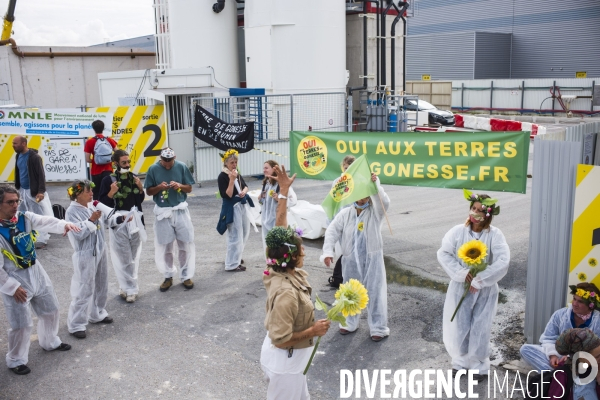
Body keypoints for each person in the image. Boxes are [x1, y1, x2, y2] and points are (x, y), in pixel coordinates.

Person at [261, 164, 331, 400]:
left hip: (292, 364)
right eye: (301, 251)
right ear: (291, 257)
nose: (304, 253)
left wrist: (283, 192)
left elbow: (279, 229)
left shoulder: (276, 265)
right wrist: (313, 330)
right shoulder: (286, 294)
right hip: (285, 364)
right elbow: (280, 341)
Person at [0, 184, 80, 375]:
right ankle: (16, 359)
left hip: (36, 270)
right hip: (14, 277)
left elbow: (44, 221)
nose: (15, 205)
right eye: (10, 202)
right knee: (21, 324)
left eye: (16, 201)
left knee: (50, 309)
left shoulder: (23, 218)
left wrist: (63, 225)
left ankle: (50, 341)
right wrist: (12, 287)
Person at [437, 192, 510, 381]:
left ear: (488, 214)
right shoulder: (457, 232)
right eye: (473, 208)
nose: (475, 213)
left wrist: (481, 279)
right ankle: (460, 362)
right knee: (460, 325)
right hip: (461, 287)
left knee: (481, 326)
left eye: (480, 210)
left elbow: (503, 260)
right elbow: (444, 253)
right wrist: (463, 275)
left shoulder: (494, 234)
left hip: (485, 290)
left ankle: (478, 365)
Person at [321, 171, 390, 342]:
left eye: (366, 197)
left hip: (372, 260)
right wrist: (328, 252)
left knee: (375, 292)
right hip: (351, 260)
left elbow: (384, 203)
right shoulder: (346, 214)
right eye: (359, 197)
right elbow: (332, 232)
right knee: (350, 292)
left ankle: (378, 328)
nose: (362, 200)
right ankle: (349, 323)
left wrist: (376, 186)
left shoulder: (375, 213)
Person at [66, 180, 126, 339]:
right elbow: (78, 234)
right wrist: (91, 220)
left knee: (101, 283)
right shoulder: (71, 211)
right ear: (78, 194)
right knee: (84, 288)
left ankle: (97, 313)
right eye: (88, 192)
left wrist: (121, 219)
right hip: (85, 254)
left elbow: (106, 221)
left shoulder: (92, 205)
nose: (92, 194)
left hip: (100, 249)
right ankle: (76, 323)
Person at [144, 147, 196, 291]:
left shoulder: (181, 166)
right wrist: (159, 187)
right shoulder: (153, 169)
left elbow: (189, 188)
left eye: (170, 161)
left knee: (184, 244)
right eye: (164, 161)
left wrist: (179, 185)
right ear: (160, 158)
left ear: (175, 158)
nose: (167, 164)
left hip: (179, 209)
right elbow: (148, 191)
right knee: (166, 246)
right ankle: (168, 276)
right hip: (163, 211)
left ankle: (186, 275)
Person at [98, 149, 146, 303]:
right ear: (116, 163)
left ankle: (125, 285)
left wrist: (140, 188)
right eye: (124, 162)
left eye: (128, 162)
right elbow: (102, 204)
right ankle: (131, 289)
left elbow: (140, 200)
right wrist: (111, 193)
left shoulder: (133, 177)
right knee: (124, 257)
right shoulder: (108, 180)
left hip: (135, 220)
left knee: (133, 256)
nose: (127, 165)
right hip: (119, 221)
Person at [520, 282, 600, 373]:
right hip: (559, 356)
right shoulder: (560, 315)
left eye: (580, 301)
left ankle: (559, 376)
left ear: (591, 305)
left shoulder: (597, 320)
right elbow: (548, 338)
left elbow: (597, 349)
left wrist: (572, 358)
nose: (574, 304)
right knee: (525, 350)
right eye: (574, 299)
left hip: (584, 360)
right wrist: (553, 355)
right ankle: (555, 375)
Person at [12, 135, 54, 249]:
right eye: (13, 143)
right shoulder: (18, 156)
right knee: (22, 214)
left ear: (23, 143)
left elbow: (41, 175)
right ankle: (23, 236)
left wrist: (40, 191)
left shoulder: (34, 157)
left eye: (15, 143)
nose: (13, 146)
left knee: (40, 215)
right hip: (22, 190)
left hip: (33, 191)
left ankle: (42, 239)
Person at [217, 149, 254, 272]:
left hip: (241, 205)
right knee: (235, 235)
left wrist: (244, 191)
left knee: (244, 232)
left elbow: (245, 186)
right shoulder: (223, 176)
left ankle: (237, 256)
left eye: (235, 162)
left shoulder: (236, 173)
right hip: (231, 207)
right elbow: (227, 194)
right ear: (226, 163)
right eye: (232, 162)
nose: (234, 165)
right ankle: (231, 264)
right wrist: (232, 180)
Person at [326, 155, 355, 288]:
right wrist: (330, 222)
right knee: (344, 250)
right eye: (345, 168)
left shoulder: (357, 181)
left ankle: (347, 277)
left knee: (352, 250)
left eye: (350, 168)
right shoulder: (337, 181)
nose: (347, 170)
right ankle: (342, 277)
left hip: (354, 221)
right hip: (340, 219)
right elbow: (332, 202)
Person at [258, 160, 297, 256]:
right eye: (263, 168)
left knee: (277, 246)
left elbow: (293, 201)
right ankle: (269, 264)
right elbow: (262, 203)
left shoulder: (281, 184)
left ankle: (277, 266)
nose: (264, 170)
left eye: (266, 168)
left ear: (274, 169)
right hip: (266, 220)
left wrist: (278, 199)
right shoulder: (266, 184)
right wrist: (260, 197)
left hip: (277, 221)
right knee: (267, 245)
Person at [84, 120, 117, 200]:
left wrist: (95, 160)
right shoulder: (109, 140)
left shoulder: (90, 142)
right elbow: (118, 152)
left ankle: (98, 209)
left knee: (96, 193)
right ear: (103, 128)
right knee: (109, 191)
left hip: (95, 172)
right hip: (108, 170)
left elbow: (87, 159)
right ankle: (109, 209)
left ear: (93, 129)